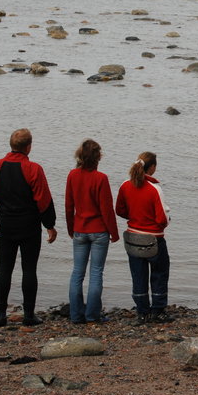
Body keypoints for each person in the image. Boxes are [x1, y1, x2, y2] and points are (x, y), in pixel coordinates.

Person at [0, 128, 57, 326]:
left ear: (11, 145)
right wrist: (50, 225)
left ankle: (0, 316)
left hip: (6, 226)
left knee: (4, 269)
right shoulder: (34, 169)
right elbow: (43, 199)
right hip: (30, 227)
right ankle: (29, 315)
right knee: (29, 269)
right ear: (28, 147)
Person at [65, 139, 119, 324]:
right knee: (96, 272)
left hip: (80, 229)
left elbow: (69, 204)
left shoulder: (72, 175)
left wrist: (70, 226)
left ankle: (76, 315)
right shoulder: (101, 178)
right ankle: (92, 315)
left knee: (77, 273)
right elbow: (106, 209)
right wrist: (114, 232)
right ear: (98, 157)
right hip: (99, 231)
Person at [115, 152, 171, 325]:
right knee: (159, 274)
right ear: (152, 167)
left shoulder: (125, 185)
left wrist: (135, 218)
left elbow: (120, 210)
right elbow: (161, 219)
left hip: (133, 238)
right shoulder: (155, 189)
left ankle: (142, 312)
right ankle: (158, 311)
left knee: (138, 275)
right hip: (153, 239)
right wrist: (166, 221)